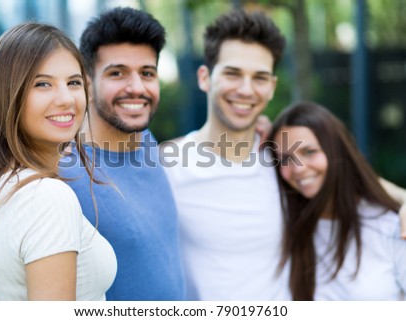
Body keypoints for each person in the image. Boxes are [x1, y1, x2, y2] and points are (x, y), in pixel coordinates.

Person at [0, 22, 116, 300]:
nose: (66, 99)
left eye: (73, 82)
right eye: (43, 84)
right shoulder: (47, 198)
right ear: (8, 95)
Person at [161, 9, 291, 300]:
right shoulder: (167, 165)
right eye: (233, 74)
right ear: (205, 78)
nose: (245, 90)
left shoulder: (286, 159)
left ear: (271, 87)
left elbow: (352, 185)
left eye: (259, 78)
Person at [59, 7, 185, 300]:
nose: (137, 88)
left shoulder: (146, 141)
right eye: (117, 73)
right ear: (86, 83)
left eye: (147, 73)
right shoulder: (62, 175)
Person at [267, 101, 406, 300]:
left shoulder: (390, 226)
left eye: (309, 152)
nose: (298, 168)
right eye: (286, 159)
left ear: (336, 152)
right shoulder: (284, 225)